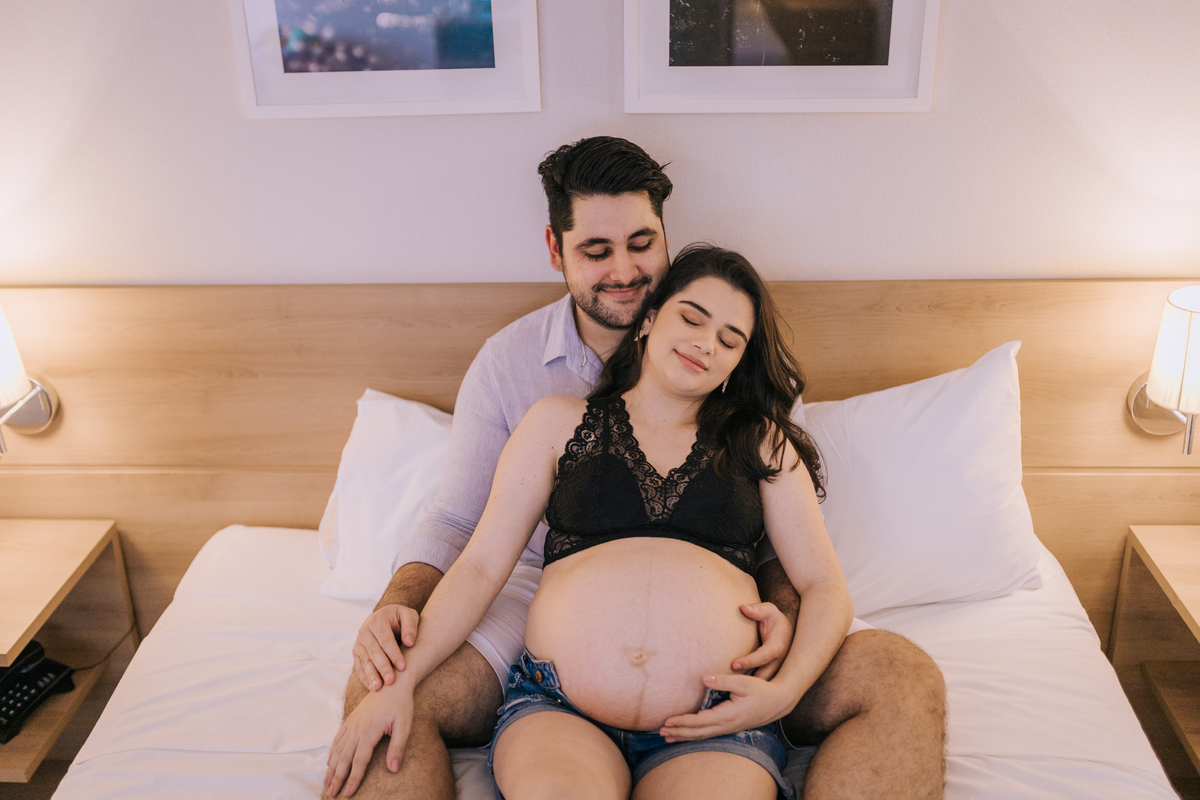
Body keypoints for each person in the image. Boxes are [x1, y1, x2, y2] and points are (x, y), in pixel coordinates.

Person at [322, 136, 946, 799]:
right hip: (540, 624)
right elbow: (468, 539)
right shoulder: (522, 378)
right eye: (596, 250)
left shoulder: (753, 421)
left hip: (719, 677)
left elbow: (803, 564)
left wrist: (782, 649)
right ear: (556, 251)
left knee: (904, 677)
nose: (624, 268)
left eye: (641, 244)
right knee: (381, 684)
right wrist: (399, 621)